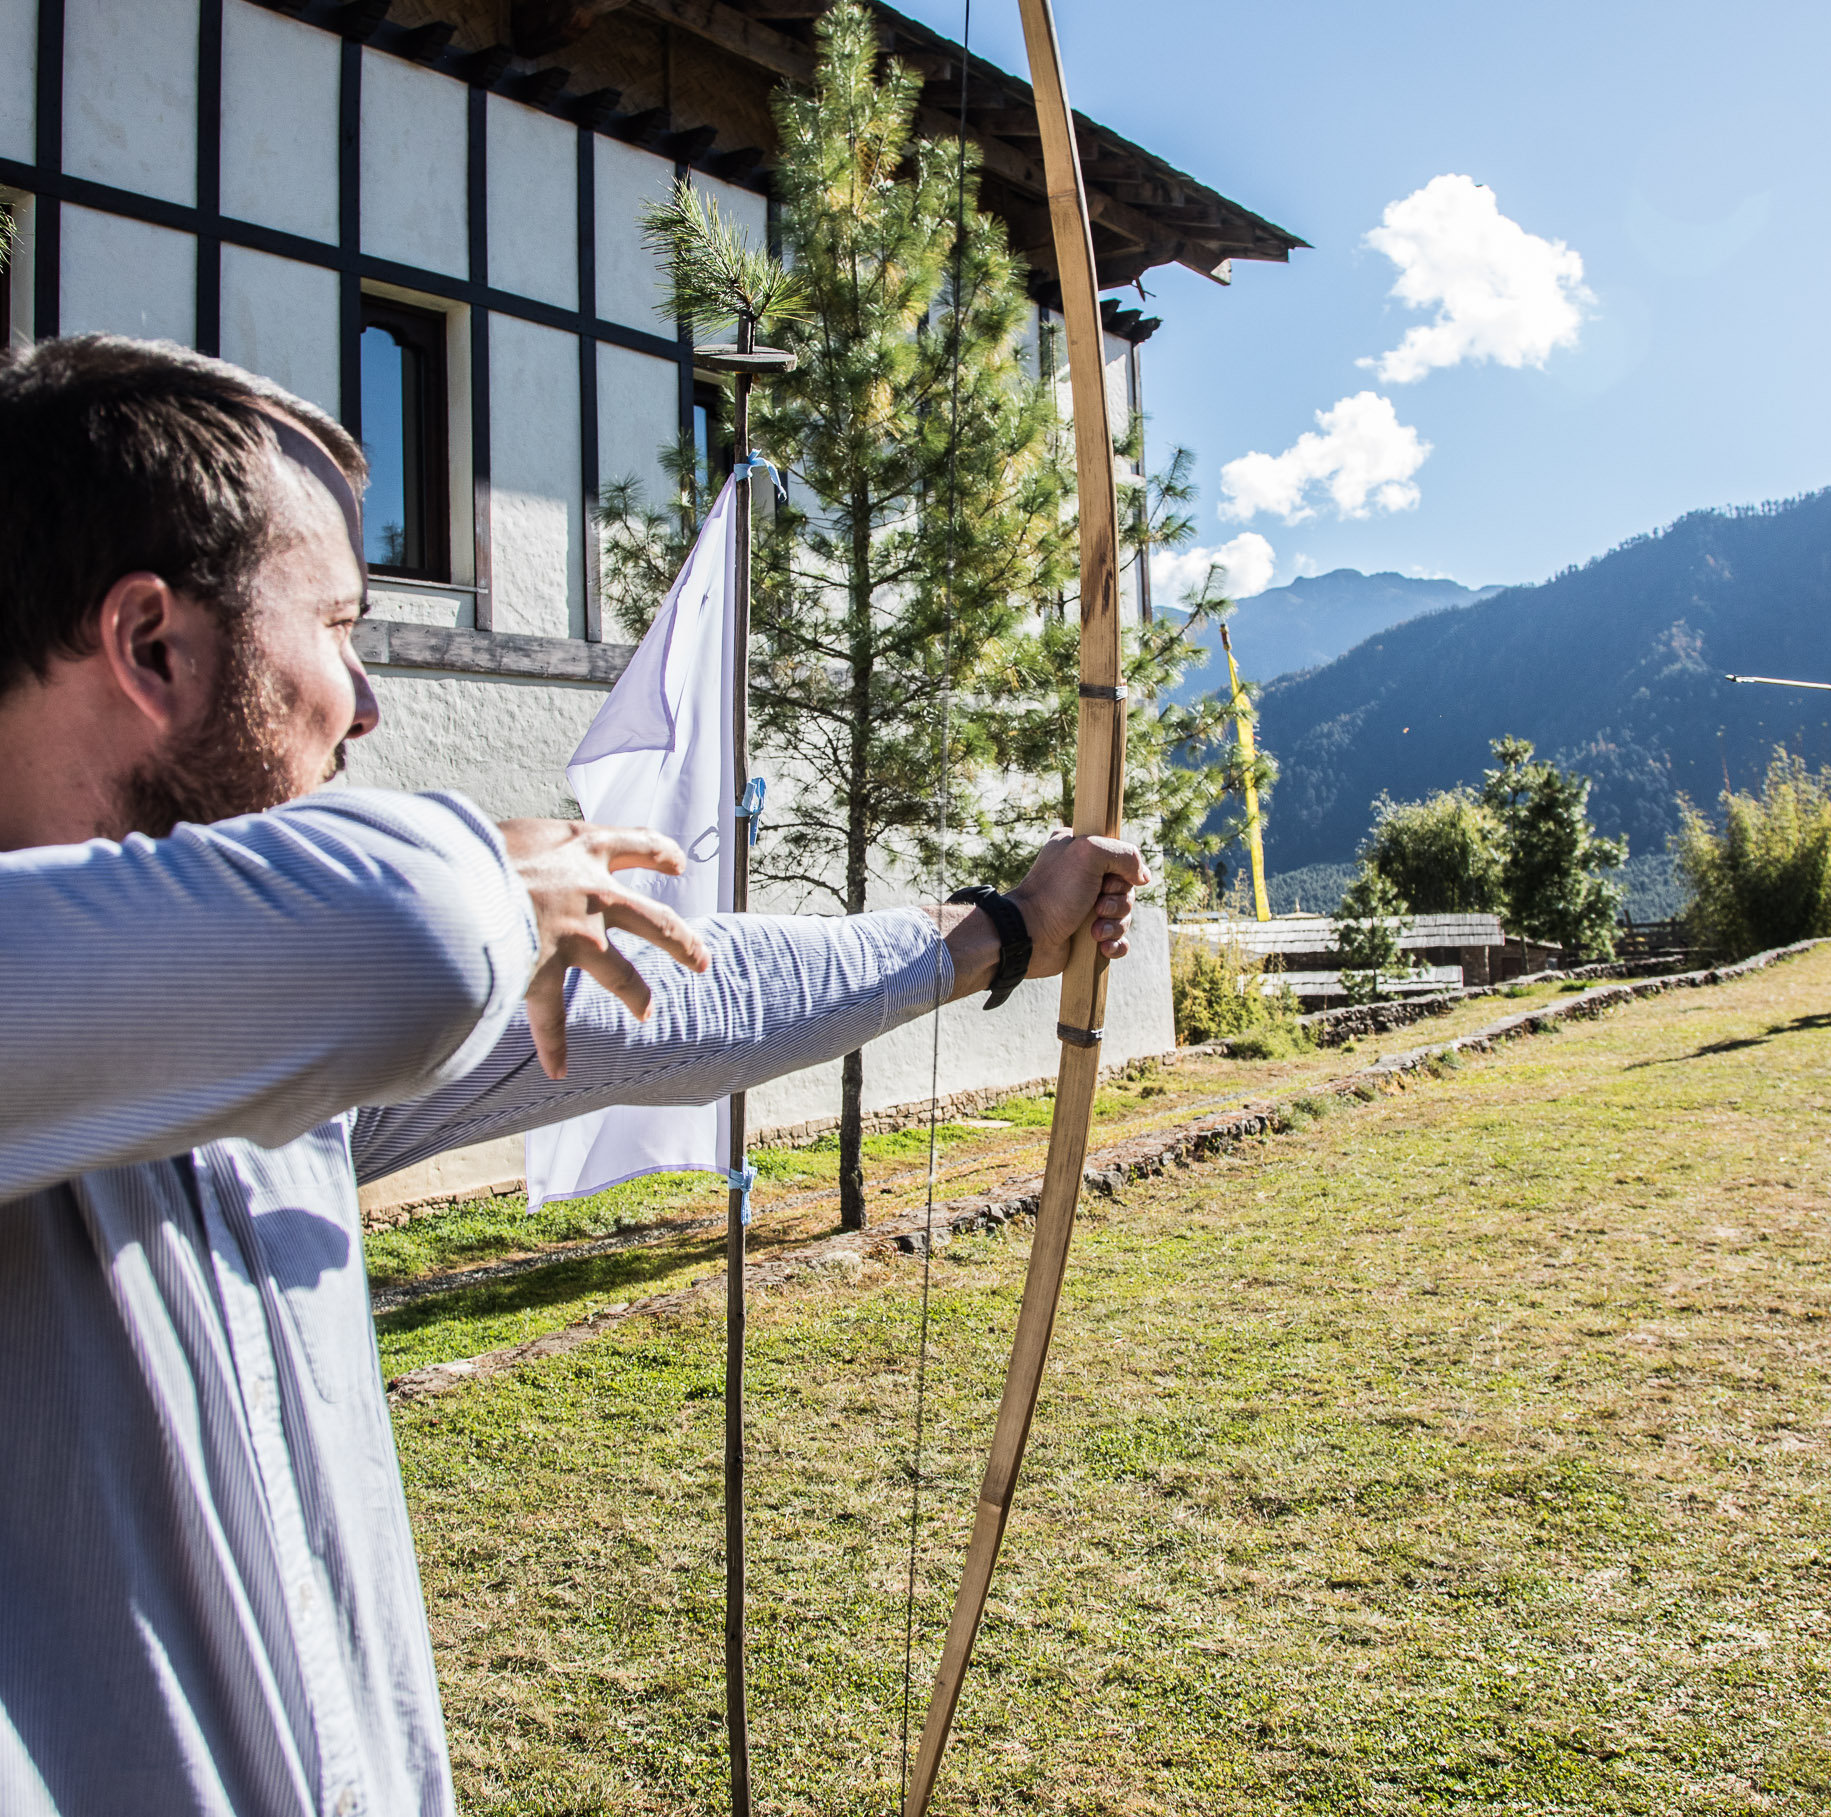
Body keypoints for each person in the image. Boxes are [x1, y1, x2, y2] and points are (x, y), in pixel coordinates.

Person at [0, 335, 1147, 1816]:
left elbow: (676, 987)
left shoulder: (274, 1059)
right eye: (338, 626)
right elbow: (417, 936)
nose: (363, 701)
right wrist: (493, 872)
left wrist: (994, 930)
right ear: (152, 644)